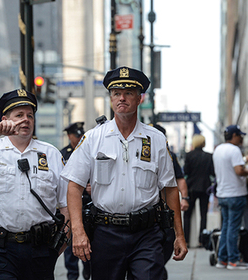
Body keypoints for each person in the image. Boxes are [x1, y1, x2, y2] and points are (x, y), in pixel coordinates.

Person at [61, 66, 188, 279]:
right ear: (111, 98)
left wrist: (179, 235)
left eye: (129, 93)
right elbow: (74, 186)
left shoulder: (156, 139)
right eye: (116, 93)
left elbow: (169, 189)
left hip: (146, 233)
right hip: (105, 233)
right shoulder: (93, 138)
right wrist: (78, 231)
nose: (122, 98)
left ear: (139, 98)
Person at [0, 89, 69, 280]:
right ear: (5, 120)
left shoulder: (51, 154)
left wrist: (58, 247)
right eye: (19, 115)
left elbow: (65, 205)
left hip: (41, 252)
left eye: (29, 115)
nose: (25, 119)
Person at [213, 125, 248, 270]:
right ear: (234, 135)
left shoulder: (218, 150)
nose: (241, 138)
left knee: (226, 228)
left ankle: (221, 259)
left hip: (222, 194)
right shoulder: (234, 150)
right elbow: (239, 170)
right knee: (233, 229)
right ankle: (233, 260)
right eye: (240, 135)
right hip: (235, 194)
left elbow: (230, 163)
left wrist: (247, 157)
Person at [153, 124, 189, 280]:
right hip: (146, 213)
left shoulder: (169, 155)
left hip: (164, 213)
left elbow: (179, 180)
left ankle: (158, 268)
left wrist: (185, 198)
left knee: (166, 245)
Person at [60, 122, 91, 280]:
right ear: (69, 136)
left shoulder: (89, 150)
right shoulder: (64, 154)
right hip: (70, 206)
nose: (79, 138)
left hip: (88, 205)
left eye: (81, 135)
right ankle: (72, 275)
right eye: (76, 135)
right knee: (70, 243)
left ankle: (88, 270)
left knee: (88, 243)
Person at [183, 134, 214, 248]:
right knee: (203, 214)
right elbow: (212, 172)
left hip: (191, 187)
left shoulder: (189, 155)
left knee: (187, 215)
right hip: (205, 187)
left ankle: (186, 240)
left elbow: (186, 171)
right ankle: (202, 240)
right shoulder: (209, 156)